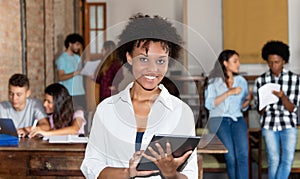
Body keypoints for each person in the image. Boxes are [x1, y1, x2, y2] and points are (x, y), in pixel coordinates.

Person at [81, 13, 198, 178]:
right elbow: (92, 167)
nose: (152, 69)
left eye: (161, 61)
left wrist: (171, 174)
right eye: (143, 59)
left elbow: (190, 174)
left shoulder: (181, 112)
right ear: (129, 57)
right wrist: (127, 172)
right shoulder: (106, 109)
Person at [253, 40, 300, 179]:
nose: (273, 65)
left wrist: (283, 97)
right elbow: (260, 111)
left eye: (277, 62)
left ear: (284, 61)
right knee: (273, 160)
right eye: (270, 62)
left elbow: (293, 108)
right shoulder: (260, 81)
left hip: (288, 123)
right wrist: (264, 102)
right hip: (269, 123)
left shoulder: (294, 79)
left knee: (287, 159)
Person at [205, 50, 251, 179]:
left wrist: (248, 100)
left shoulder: (241, 81)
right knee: (230, 156)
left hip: (237, 118)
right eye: (235, 61)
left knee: (242, 155)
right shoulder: (213, 82)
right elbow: (209, 105)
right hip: (219, 119)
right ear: (225, 63)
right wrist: (229, 93)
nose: (238, 64)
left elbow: (243, 106)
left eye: (238, 61)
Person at [0, 73, 50, 137]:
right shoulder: (2, 107)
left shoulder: (35, 105)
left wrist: (26, 130)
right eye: (11, 94)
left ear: (28, 93)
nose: (14, 98)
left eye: (19, 94)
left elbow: (46, 126)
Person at [55, 33, 86, 109]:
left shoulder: (77, 57)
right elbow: (61, 77)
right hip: (69, 93)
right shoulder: (62, 59)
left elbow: (81, 70)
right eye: (77, 44)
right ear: (70, 44)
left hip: (80, 91)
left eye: (79, 45)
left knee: (82, 115)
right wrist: (76, 73)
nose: (78, 47)